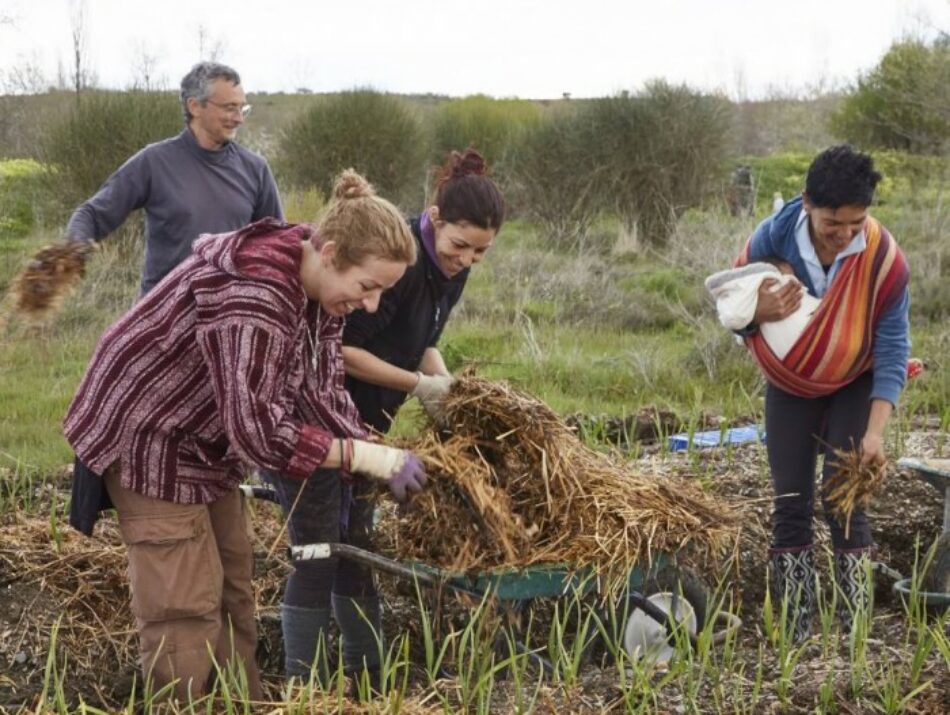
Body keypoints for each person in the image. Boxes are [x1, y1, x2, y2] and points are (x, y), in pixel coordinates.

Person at [63, 171, 427, 702]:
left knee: (235, 582)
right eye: (367, 286)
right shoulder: (254, 297)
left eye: (381, 292)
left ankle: (243, 703)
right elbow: (259, 432)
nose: (371, 304)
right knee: (183, 603)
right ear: (327, 252)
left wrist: (379, 455)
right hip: (148, 435)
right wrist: (363, 455)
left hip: (207, 440)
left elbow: (320, 389)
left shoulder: (317, 293)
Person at [263, 148, 505, 693]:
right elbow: (343, 351)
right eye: (460, 245)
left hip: (366, 428)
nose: (466, 259)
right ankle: (306, 689)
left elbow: (423, 343)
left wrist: (448, 388)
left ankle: (366, 677)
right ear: (434, 220)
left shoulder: (448, 269)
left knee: (358, 548)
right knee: (320, 550)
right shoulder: (395, 268)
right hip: (320, 423)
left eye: (481, 252)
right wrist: (419, 387)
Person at [735, 145, 910, 641]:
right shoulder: (773, 237)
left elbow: (894, 346)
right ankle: (796, 631)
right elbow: (734, 310)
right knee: (790, 500)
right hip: (791, 383)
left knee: (843, 495)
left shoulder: (882, 257)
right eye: (834, 221)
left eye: (857, 221)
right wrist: (757, 313)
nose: (845, 234)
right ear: (808, 203)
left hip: (855, 377)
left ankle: (854, 632)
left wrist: (875, 434)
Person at [65, 61, 283, 296]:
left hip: (227, 316)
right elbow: (93, 214)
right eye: (230, 108)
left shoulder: (255, 168)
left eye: (243, 108)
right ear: (195, 106)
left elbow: (278, 243)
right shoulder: (155, 162)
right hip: (161, 318)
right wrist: (72, 250)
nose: (239, 118)